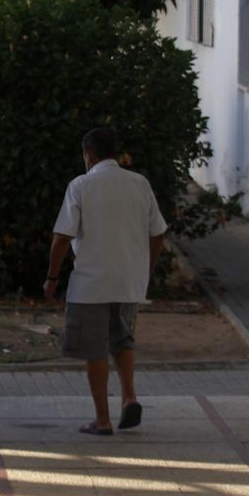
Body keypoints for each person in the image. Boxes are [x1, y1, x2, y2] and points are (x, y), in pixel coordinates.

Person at [44, 127, 167, 435]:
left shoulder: (81, 185)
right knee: (123, 340)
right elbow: (158, 233)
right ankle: (129, 398)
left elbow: (62, 237)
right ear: (115, 152)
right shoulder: (140, 183)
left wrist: (52, 278)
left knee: (94, 349)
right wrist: (146, 269)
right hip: (128, 281)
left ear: (89, 154)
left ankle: (102, 419)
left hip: (90, 283)